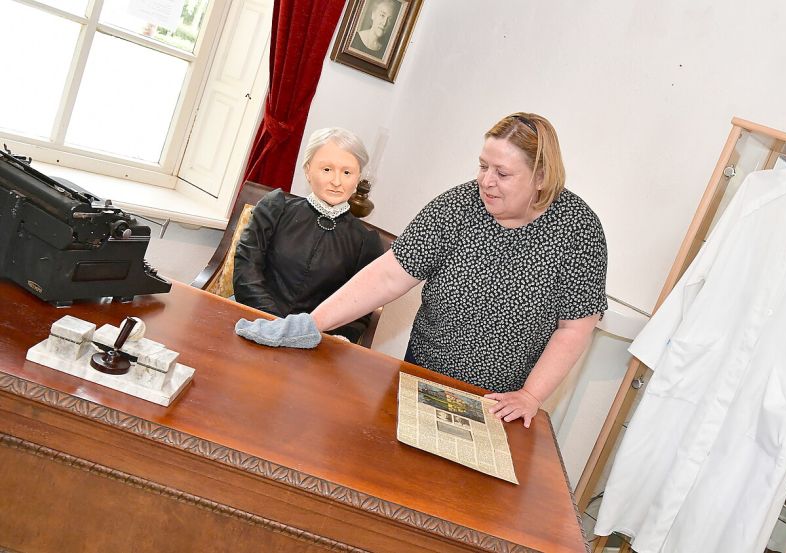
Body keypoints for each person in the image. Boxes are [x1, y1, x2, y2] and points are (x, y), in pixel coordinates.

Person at [235, 112, 609, 427]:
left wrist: (530, 395)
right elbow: (388, 274)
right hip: (424, 376)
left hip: (499, 404)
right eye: (482, 166)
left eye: (503, 173)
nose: (485, 181)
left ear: (541, 176)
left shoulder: (579, 230)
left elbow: (575, 327)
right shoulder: (459, 205)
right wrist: (312, 324)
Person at [233, 128, 386, 343]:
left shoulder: (365, 241)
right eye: (326, 169)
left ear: (358, 178)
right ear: (307, 170)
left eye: (347, 172)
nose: (336, 181)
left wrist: (313, 337)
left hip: (314, 343)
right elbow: (246, 271)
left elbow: (359, 308)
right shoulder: (275, 208)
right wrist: (277, 325)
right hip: (254, 321)